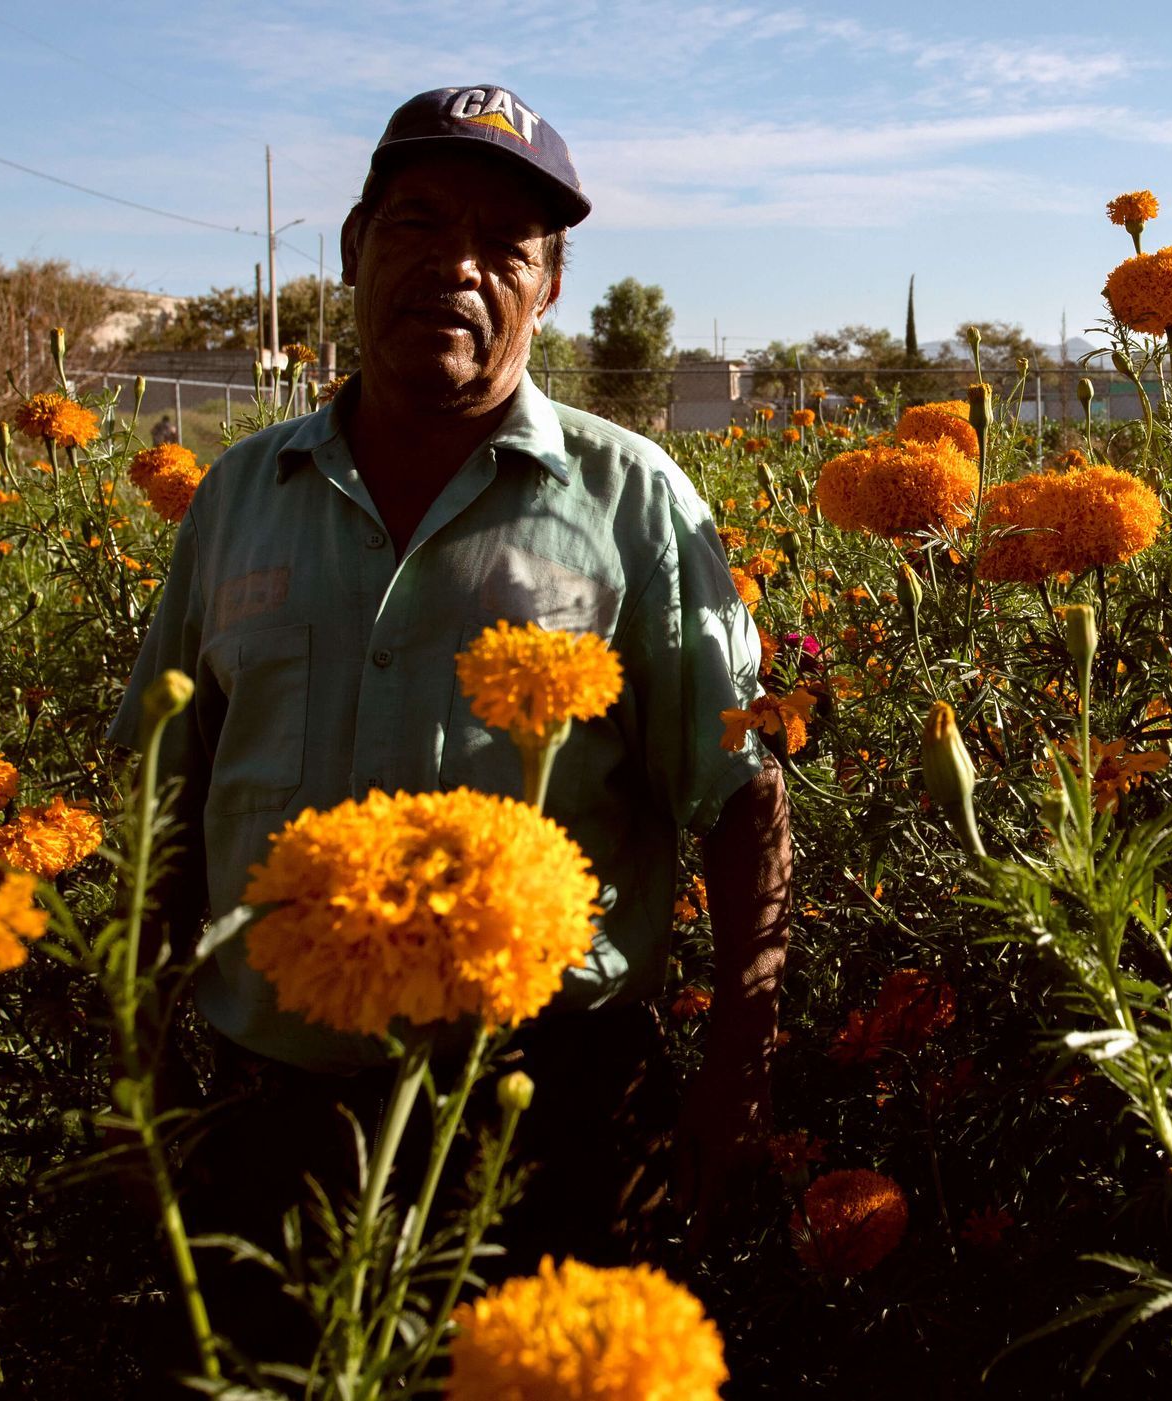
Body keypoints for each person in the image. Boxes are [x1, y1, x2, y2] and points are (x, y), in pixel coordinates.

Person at [109, 83, 792, 1352]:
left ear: (548, 290)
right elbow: (167, 788)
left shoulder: (634, 500)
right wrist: (140, 1040)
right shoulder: (240, 496)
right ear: (354, 247)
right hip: (275, 1110)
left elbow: (738, 795)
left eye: (505, 247)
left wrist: (739, 1064)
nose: (456, 266)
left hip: (549, 1104)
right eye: (418, 224)